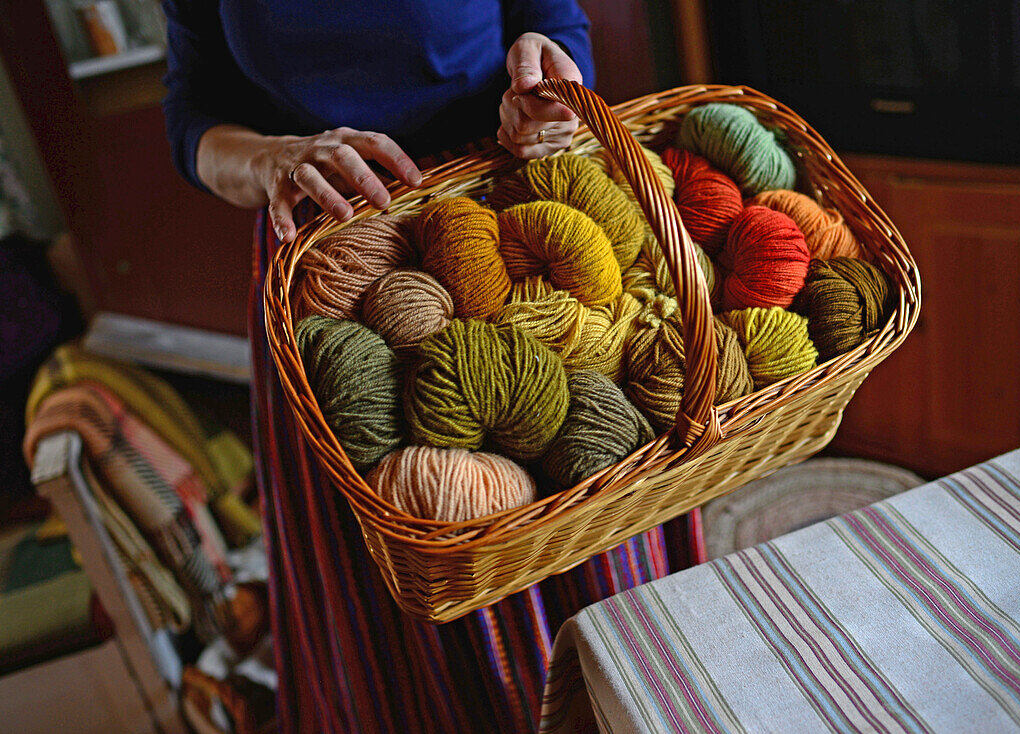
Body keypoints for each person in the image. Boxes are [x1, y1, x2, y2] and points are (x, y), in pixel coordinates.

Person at [162, 3, 706, 732]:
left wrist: (545, 95)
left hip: (493, 226)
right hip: (327, 265)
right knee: (397, 568)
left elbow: (553, 21)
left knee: (582, 492)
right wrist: (270, 159)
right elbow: (193, 114)